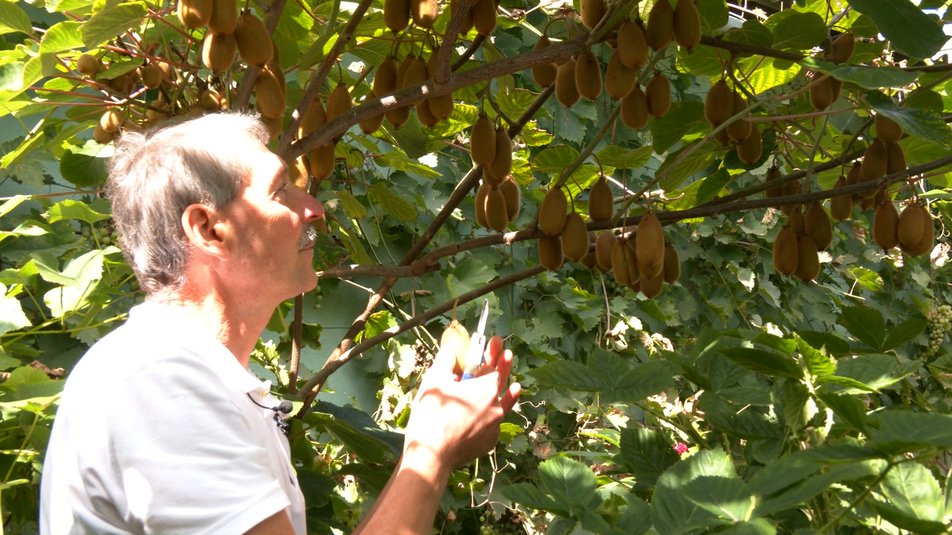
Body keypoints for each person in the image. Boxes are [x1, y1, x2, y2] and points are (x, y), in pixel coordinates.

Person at [39, 112, 521, 534]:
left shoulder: (185, 374)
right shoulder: (159, 383)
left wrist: (429, 441)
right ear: (209, 229)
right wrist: (434, 449)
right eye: (279, 190)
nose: (314, 208)